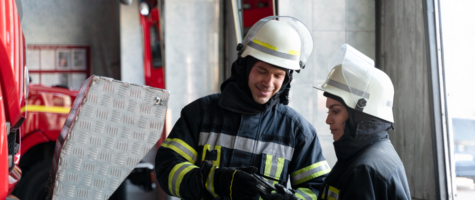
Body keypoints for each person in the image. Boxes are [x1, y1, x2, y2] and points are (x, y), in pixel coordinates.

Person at [155, 16, 330, 200]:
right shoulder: (200, 113)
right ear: (244, 67)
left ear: (286, 80)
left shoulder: (298, 131)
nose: (268, 83)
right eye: (261, 71)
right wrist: (216, 181)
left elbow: (318, 190)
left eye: (278, 75)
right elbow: (168, 169)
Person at [314, 44, 411, 200]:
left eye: (335, 111)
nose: (328, 120)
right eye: (328, 111)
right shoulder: (371, 153)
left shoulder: (363, 170)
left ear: (359, 115)